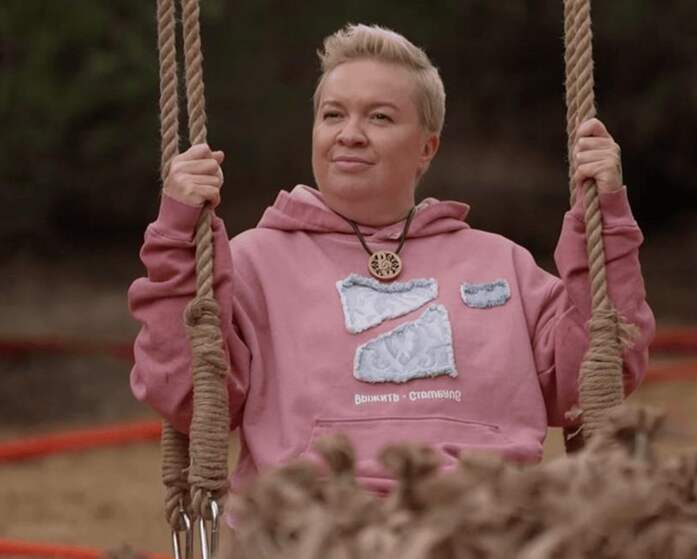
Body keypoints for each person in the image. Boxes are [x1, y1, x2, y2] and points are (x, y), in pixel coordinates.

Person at [129, 23, 655, 497]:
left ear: (427, 148)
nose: (349, 133)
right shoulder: (253, 263)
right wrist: (177, 230)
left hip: (483, 523)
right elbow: (189, 396)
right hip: (312, 525)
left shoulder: (502, 264)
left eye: (379, 117)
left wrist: (605, 216)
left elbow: (592, 381)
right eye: (333, 114)